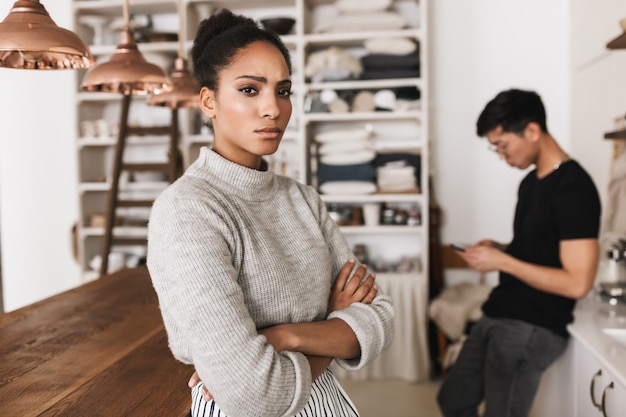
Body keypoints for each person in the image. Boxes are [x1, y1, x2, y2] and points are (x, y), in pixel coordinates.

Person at [146, 9, 394, 417]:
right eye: (249, 90)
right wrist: (330, 327)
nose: (273, 109)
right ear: (208, 100)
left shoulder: (303, 200)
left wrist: (282, 338)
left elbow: (381, 318)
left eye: (283, 90)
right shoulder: (187, 211)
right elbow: (255, 397)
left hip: (330, 404)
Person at [437, 88, 601, 417]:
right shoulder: (530, 183)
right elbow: (541, 249)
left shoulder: (575, 189)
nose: (502, 156)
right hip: (501, 309)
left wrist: (502, 261)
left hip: (534, 325)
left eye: (503, 146)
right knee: (453, 399)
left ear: (532, 131)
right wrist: (498, 249)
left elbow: (577, 283)